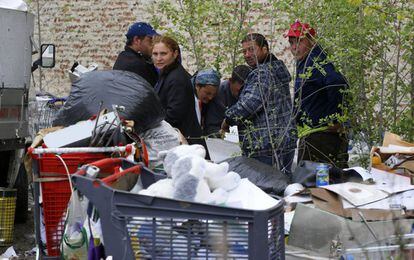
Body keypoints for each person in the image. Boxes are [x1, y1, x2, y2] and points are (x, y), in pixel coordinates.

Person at [221, 33, 297, 175]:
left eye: (251, 49)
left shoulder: (263, 72)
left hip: (265, 145)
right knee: (281, 186)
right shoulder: (275, 70)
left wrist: (228, 119)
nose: (247, 54)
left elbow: (250, 104)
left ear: (264, 49)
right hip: (284, 141)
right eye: (244, 51)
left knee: (265, 191)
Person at [285, 20, 349, 168]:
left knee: (312, 184)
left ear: (312, 41)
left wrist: (334, 118)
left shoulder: (316, 61)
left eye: (299, 42)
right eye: (291, 42)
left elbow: (338, 83)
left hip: (321, 137)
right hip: (315, 135)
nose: (294, 47)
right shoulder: (307, 60)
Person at [151, 35, 203, 145]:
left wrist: (148, 123)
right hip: (176, 139)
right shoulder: (166, 74)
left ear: (175, 54)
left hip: (184, 141)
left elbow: (173, 116)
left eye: (163, 54)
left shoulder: (177, 78)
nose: (158, 58)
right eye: (155, 54)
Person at [202, 65, 252, 135]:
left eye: (244, 91)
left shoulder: (252, 94)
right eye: (238, 91)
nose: (240, 95)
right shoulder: (218, 94)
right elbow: (211, 127)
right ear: (230, 81)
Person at [113, 22, 158, 87]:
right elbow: (152, 90)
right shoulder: (136, 64)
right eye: (149, 40)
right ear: (137, 40)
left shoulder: (124, 56)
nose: (152, 44)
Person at [191, 69, 220, 134]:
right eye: (208, 93)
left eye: (214, 94)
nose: (210, 98)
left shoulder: (213, 100)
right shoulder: (185, 97)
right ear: (197, 86)